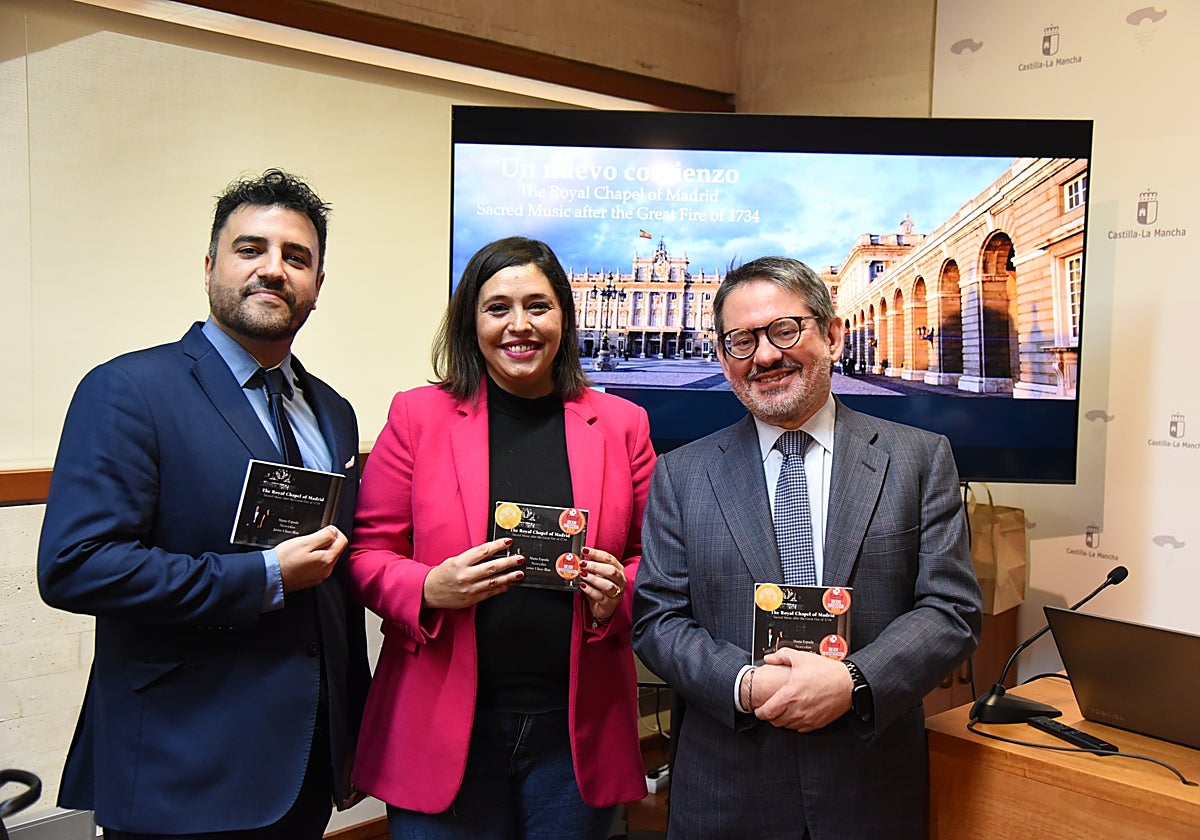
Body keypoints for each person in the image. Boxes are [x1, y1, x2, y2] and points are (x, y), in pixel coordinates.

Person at [37, 169, 370, 839]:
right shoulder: (129, 390)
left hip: (305, 762)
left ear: (318, 286)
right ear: (210, 264)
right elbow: (77, 565)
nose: (273, 270)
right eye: (251, 249)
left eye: (296, 257)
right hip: (183, 761)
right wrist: (265, 575)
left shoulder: (332, 411)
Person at [632, 256, 982, 839]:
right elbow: (658, 620)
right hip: (727, 791)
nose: (765, 355)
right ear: (723, 359)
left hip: (867, 786)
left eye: (784, 330)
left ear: (832, 333)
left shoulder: (919, 458)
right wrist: (744, 685)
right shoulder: (681, 473)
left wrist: (855, 680)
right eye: (741, 341)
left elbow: (951, 609)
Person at [346, 236, 655, 839]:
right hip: (442, 728)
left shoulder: (621, 424)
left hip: (574, 733)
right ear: (472, 321)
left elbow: (656, 561)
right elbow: (366, 553)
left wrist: (620, 592)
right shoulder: (417, 416)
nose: (520, 325)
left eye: (538, 306)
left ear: (564, 316)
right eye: (497, 308)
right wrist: (428, 586)